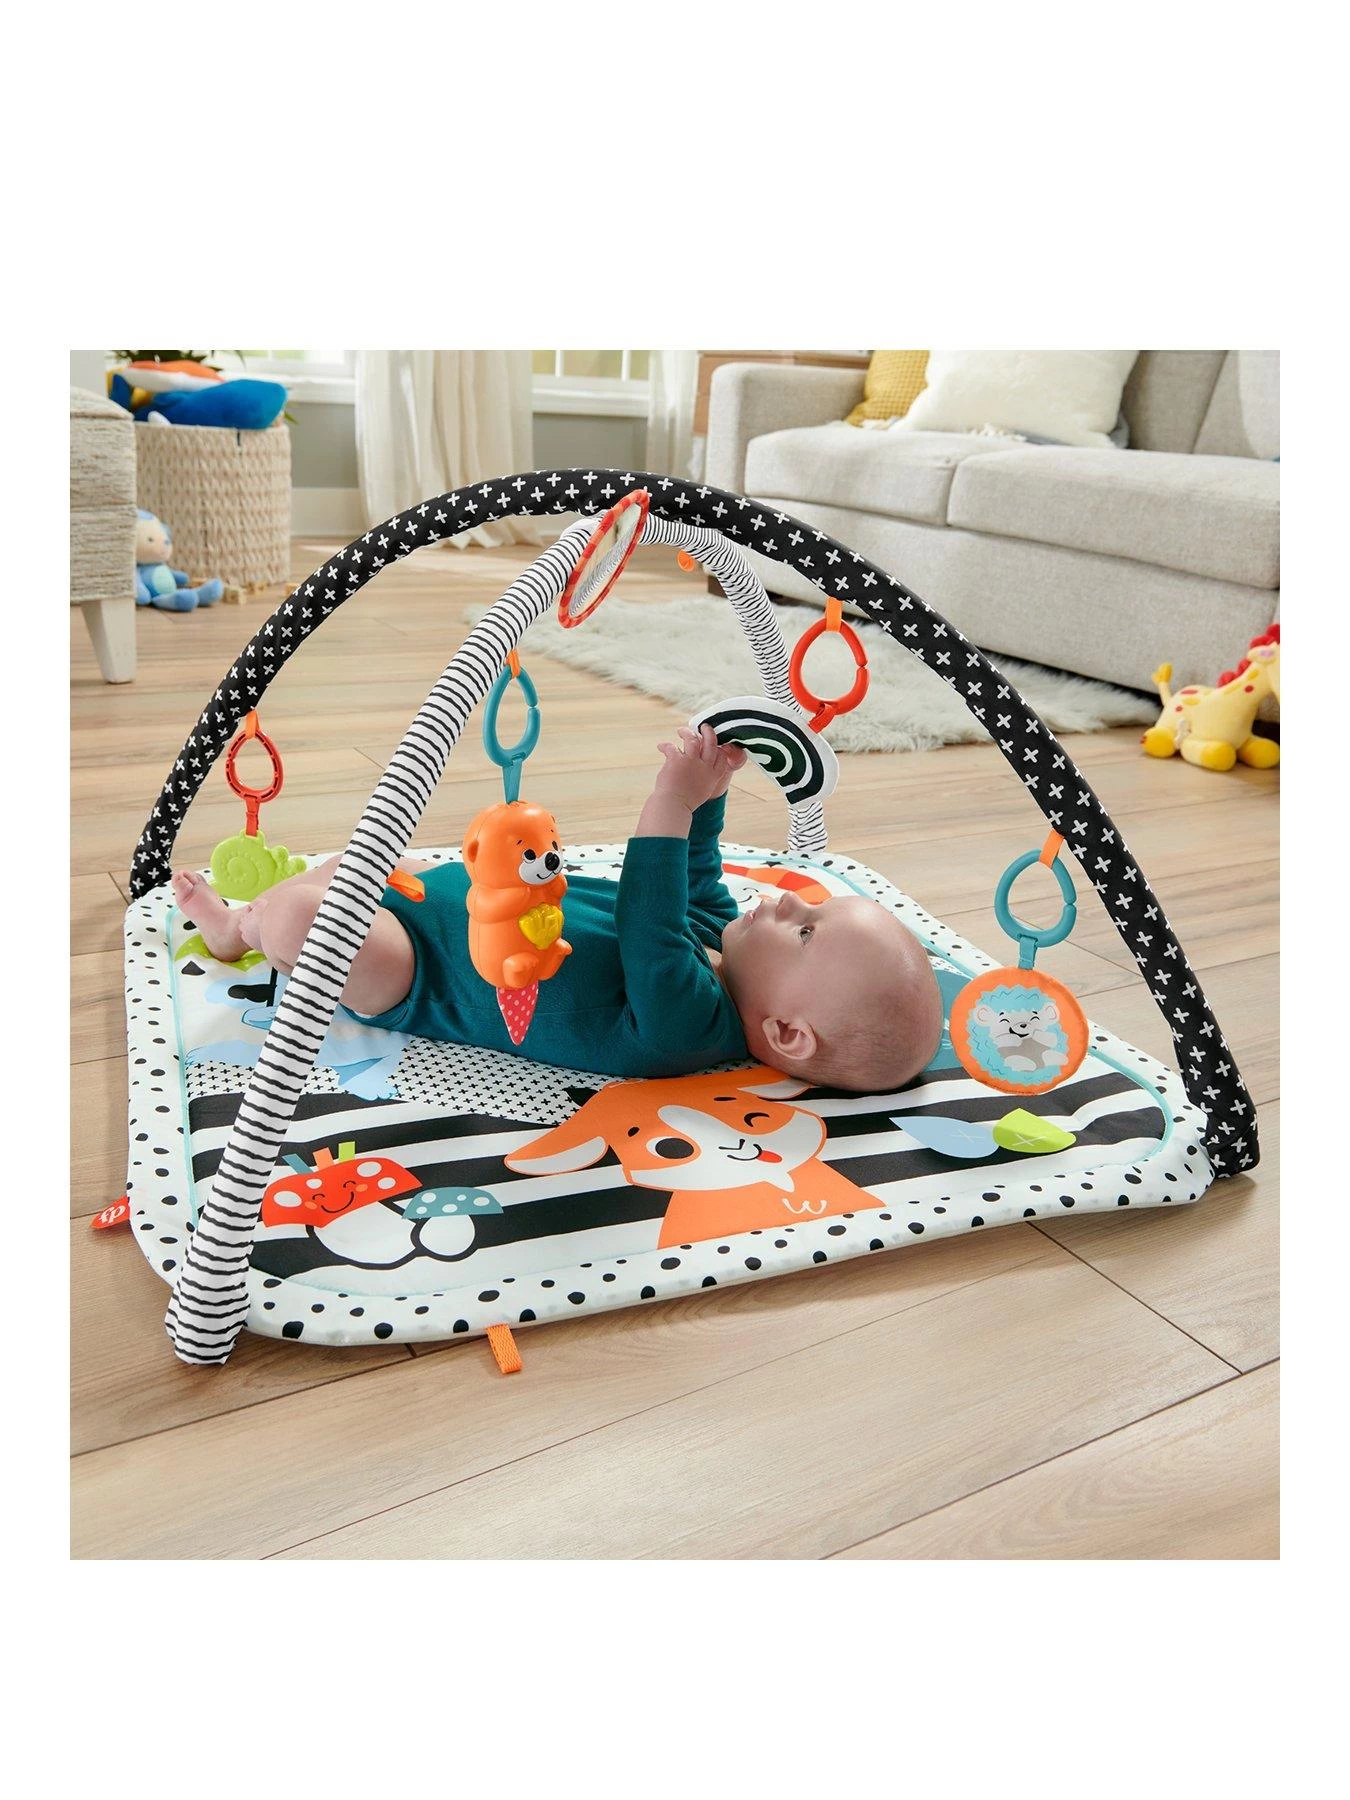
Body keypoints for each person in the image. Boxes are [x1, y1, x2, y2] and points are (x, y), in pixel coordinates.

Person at [174, 726, 942, 1090]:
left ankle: (245, 926)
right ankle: (254, 918)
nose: (786, 897)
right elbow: (695, 873)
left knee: (303, 920)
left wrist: (670, 802)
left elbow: (648, 915)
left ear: (786, 1033)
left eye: (806, 931)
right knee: (376, 860)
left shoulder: (690, 1026)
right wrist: (711, 790)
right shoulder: (727, 939)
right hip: (444, 896)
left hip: (415, 976)